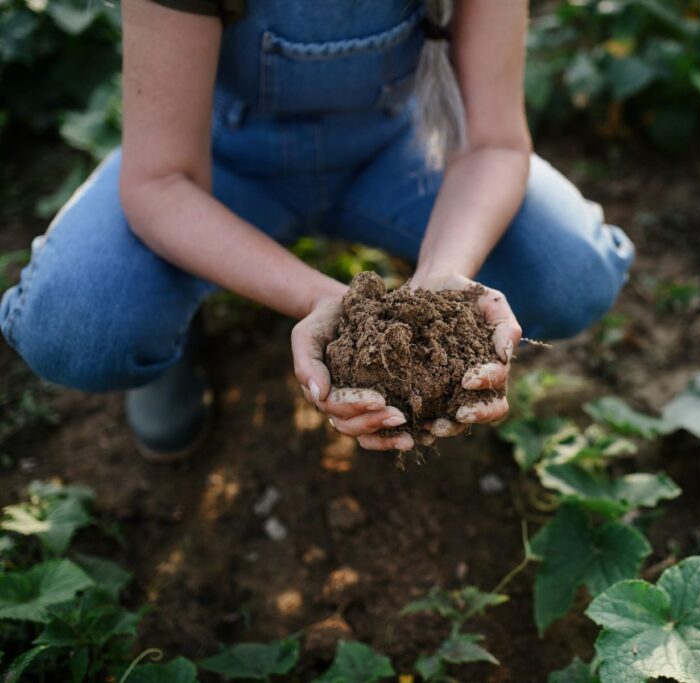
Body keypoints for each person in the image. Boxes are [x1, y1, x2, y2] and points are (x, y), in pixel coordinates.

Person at [0, 0, 635, 461]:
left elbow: (493, 142)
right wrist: (323, 300)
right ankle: (166, 344)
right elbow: (160, 181)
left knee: (568, 276)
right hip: (217, 164)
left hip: (400, 149)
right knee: (77, 328)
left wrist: (443, 283)